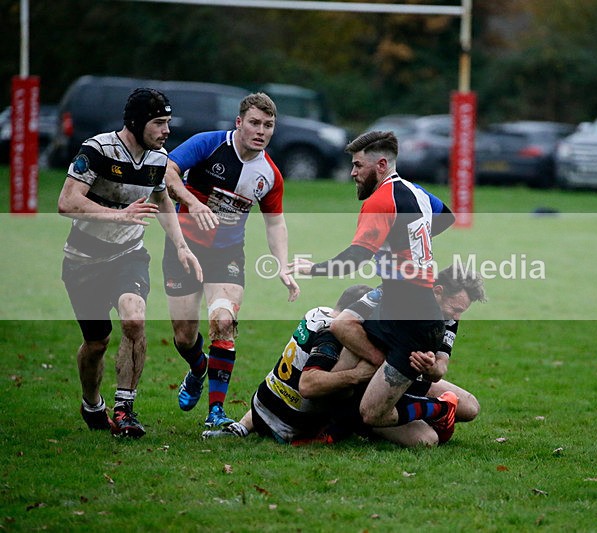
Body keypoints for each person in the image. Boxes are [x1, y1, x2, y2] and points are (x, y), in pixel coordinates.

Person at [290, 130, 458, 442]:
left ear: (380, 165)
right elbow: (446, 217)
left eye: (357, 166)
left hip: (411, 320)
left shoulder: (380, 200)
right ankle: (331, 424)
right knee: (343, 327)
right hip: (400, 306)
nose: (352, 173)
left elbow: (355, 258)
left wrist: (312, 269)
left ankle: (437, 409)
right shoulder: (417, 192)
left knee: (373, 413)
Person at [58, 88, 202, 438]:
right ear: (137, 124)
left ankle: (125, 409)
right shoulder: (98, 150)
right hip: (83, 260)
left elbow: (163, 202)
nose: (166, 131)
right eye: (159, 123)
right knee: (96, 344)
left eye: (167, 122)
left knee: (134, 319)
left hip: (128, 255)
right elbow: (66, 202)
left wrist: (181, 247)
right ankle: (92, 403)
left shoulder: (157, 159)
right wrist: (117, 216)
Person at [162, 92, 300, 429]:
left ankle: (216, 412)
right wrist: (191, 204)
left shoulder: (269, 175)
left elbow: (275, 222)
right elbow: (167, 171)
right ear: (239, 122)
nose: (261, 130)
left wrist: (282, 264)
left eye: (268, 125)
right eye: (254, 122)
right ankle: (197, 368)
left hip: (227, 256)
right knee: (183, 336)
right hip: (184, 247)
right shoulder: (208, 144)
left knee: (223, 323)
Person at [331, 265, 487, 446]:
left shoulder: (448, 318)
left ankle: (407, 409)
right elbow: (341, 325)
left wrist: (431, 366)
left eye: (461, 311)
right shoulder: (388, 295)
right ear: (438, 291)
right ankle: (432, 410)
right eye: (456, 308)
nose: (457, 316)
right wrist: (379, 360)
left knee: (470, 407)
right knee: (427, 440)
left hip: (407, 378)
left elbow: (440, 369)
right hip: (364, 382)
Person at [201, 285, 376, 443]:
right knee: (349, 387)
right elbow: (308, 385)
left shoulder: (317, 312)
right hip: (289, 424)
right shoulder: (331, 336)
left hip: (261, 403)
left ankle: (242, 427)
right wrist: (357, 375)